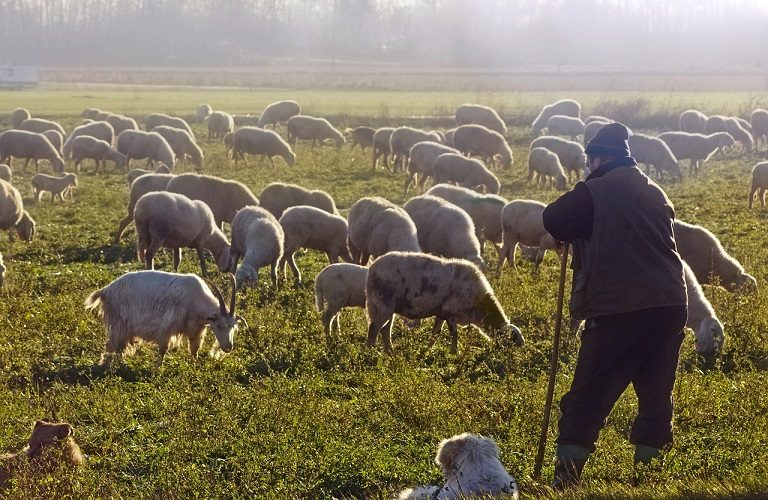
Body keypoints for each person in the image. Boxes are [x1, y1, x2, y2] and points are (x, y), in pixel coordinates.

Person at [542, 122, 688, 489]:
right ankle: (648, 480)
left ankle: (566, 481)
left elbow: (554, 218)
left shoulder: (597, 189)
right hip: (669, 305)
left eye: (588, 161)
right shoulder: (655, 191)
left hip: (621, 307)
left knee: (588, 394)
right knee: (656, 395)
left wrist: (582, 194)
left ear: (597, 159)